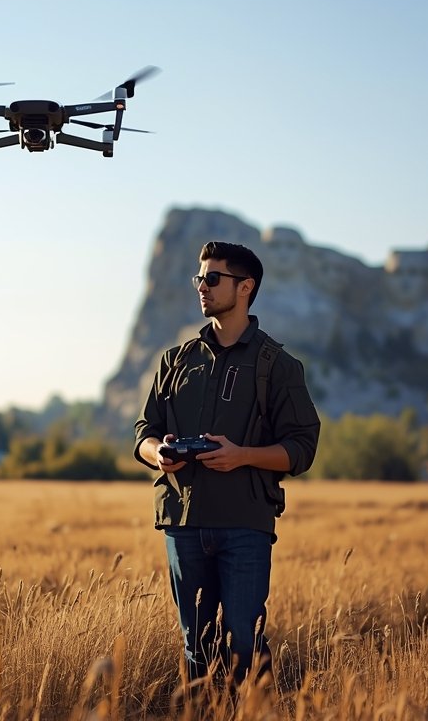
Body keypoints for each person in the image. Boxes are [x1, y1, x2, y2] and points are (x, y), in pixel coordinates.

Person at [134, 240, 320, 689]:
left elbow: (301, 448)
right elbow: (144, 433)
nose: (202, 286)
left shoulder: (277, 365)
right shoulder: (175, 361)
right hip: (183, 522)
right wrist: (159, 453)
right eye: (200, 278)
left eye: (213, 278)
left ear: (245, 287)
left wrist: (242, 456)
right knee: (197, 646)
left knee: (244, 644)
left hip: (245, 525)